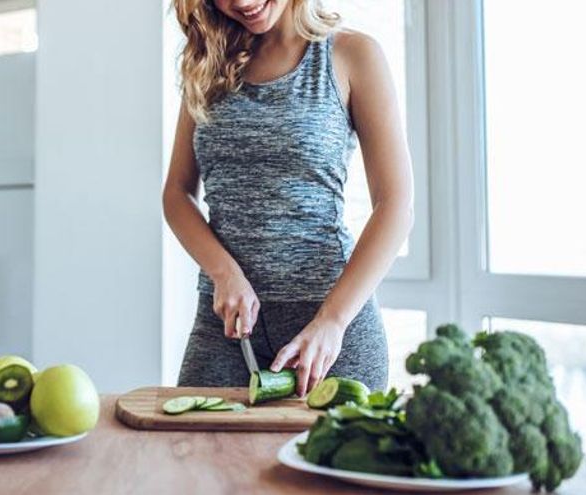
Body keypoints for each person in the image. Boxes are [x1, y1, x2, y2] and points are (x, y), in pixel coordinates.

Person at [164, 0, 414, 396]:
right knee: (191, 453)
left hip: (331, 330)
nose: (241, 2)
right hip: (226, 329)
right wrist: (223, 273)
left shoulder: (353, 55)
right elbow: (176, 194)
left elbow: (396, 205)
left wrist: (332, 321)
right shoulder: (206, 65)